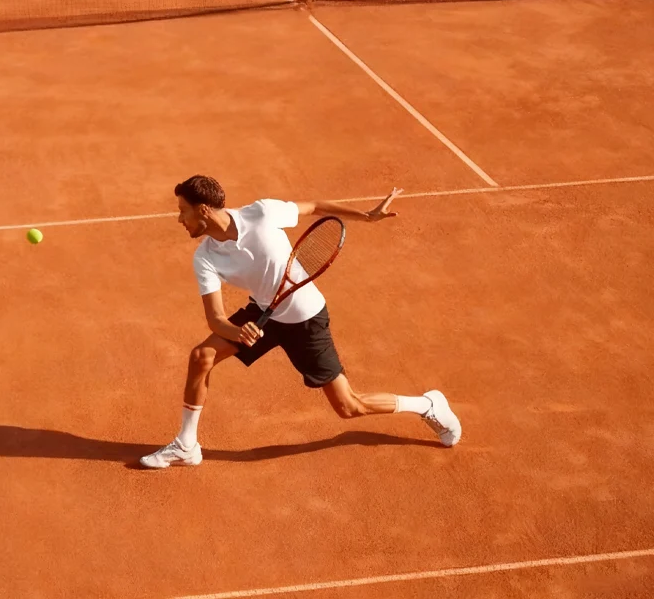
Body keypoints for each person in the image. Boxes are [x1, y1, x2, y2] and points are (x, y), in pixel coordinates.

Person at [140, 175, 461, 469]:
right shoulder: (206, 257)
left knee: (349, 406)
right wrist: (239, 331)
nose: (180, 219)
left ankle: (426, 404)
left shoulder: (262, 214)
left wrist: (365, 215)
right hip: (265, 312)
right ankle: (186, 445)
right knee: (202, 356)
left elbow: (314, 207)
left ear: (205, 210)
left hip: (305, 318)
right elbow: (216, 319)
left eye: (184, 211)